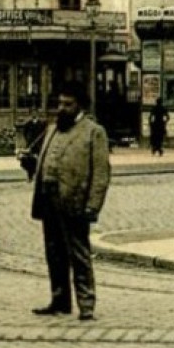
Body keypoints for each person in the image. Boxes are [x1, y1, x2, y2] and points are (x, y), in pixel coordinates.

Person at [27, 82, 112, 321]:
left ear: (80, 106)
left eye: (68, 104)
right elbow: (46, 160)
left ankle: (86, 304)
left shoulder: (94, 132)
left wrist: (93, 206)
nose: (62, 108)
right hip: (48, 201)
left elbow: (101, 174)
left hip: (74, 202)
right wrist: (33, 164)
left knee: (79, 255)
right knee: (54, 253)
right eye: (60, 103)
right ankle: (59, 300)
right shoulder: (53, 129)